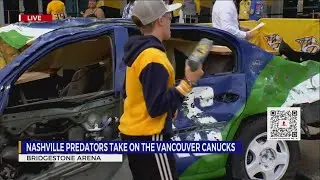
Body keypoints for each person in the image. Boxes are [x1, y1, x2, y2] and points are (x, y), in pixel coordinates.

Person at [118, 1, 204, 180]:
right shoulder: (153, 57)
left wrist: (169, 110)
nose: (171, 20)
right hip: (150, 138)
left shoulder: (139, 51)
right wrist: (188, 82)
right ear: (160, 21)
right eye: (168, 16)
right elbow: (156, 107)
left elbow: (128, 93)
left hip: (135, 136)